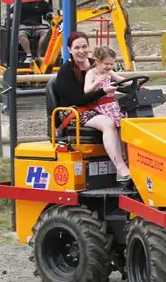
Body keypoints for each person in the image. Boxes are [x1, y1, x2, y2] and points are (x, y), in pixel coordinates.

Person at [51, 31, 130, 181]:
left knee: (127, 119)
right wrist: (103, 91)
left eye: (84, 46)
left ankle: (133, 161)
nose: (81, 51)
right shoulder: (66, 72)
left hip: (94, 105)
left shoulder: (97, 63)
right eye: (77, 48)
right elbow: (79, 99)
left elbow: (115, 78)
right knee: (109, 123)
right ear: (69, 50)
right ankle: (121, 169)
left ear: (89, 47)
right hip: (73, 109)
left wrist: (135, 86)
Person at [84, 45, 125, 126]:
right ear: (97, 61)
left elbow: (120, 79)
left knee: (123, 123)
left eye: (111, 64)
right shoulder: (92, 73)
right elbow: (86, 91)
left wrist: (136, 83)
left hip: (112, 105)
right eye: (106, 64)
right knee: (115, 123)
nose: (109, 67)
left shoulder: (109, 72)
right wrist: (96, 82)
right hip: (100, 106)